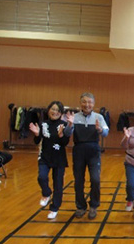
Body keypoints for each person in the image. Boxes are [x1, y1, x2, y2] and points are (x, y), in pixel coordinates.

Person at [65, 92, 109, 220]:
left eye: (89, 102)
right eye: (84, 102)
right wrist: (70, 124)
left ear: (93, 104)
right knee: (78, 180)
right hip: (78, 150)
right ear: (80, 103)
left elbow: (106, 132)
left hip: (94, 151)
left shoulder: (99, 117)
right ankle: (81, 206)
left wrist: (100, 130)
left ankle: (94, 205)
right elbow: (67, 134)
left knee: (95, 179)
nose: (87, 104)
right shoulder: (74, 117)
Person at [29, 101, 70, 219]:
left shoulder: (64, 125)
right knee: (41, 177)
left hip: (59, 158)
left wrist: (61, 135)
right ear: (48, 111)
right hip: (44, 156)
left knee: (58, 184)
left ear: (61, 113)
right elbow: (37, 141)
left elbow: (65, 143)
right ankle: (46, 193)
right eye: (53, 109)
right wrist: (37, 134)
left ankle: (54, 208)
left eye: (58, 110)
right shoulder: (43, 124)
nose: (55, 112)